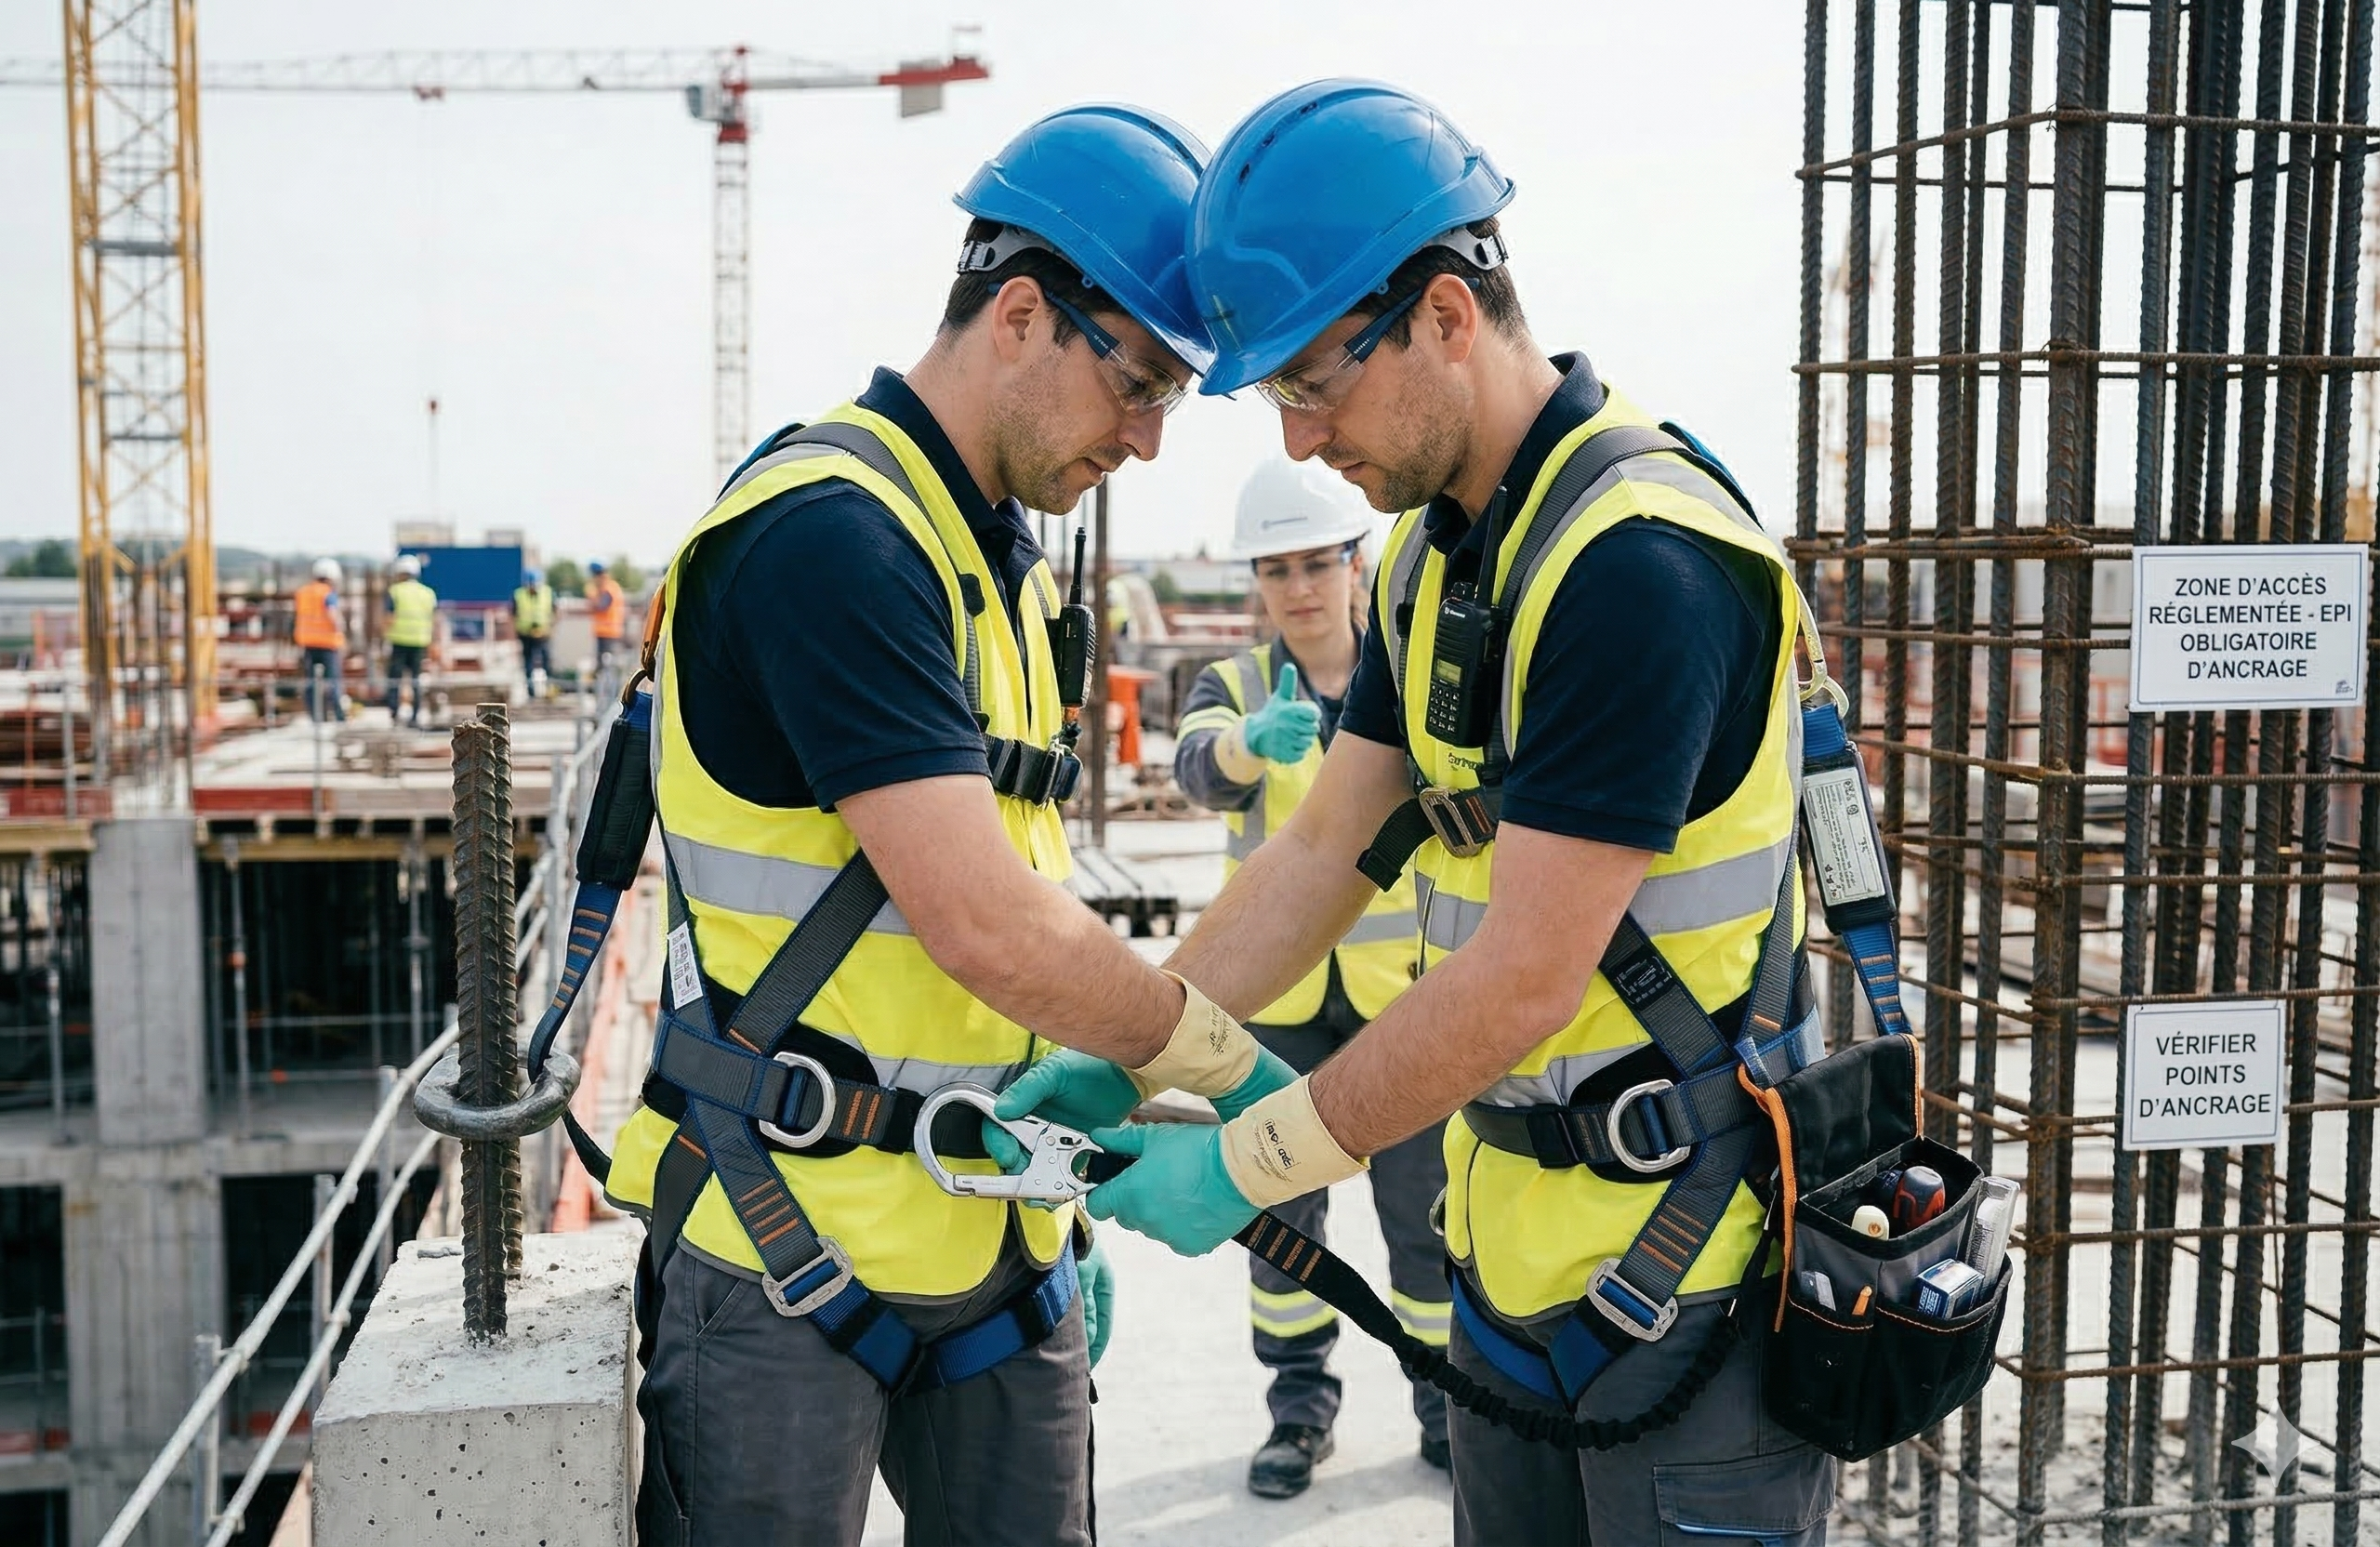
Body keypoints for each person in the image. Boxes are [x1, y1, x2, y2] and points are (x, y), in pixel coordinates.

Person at [1008, 81, 1837, 1544]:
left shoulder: (1635, 567)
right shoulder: (1432, 562)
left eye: (1311, 384)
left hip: (1690, 1274)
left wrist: (1251, 1163)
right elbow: (1322, 852)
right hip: (1511, 1265)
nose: (1303, 443)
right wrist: (1135, 1049)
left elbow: (1524, 978)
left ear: (1446, 314)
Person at [602, 105, 1312, 1547]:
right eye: (1138, 383)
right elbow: (985, 921)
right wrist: (1214, 1060)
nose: (1147, 439)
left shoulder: (998, 560)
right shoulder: (833, 539)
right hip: (787, 1244)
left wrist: (1059, 1197)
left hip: (996, 1238)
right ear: (1021, 314)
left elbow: (1021, 874)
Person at [1172, 457, 1446, 1496]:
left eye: (1315, 563)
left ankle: (1444, 1408)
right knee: (1282, 1230)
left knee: (1427, 1227)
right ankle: (1298, 1413)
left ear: (1354, 563)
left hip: (1398, 1003)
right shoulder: (1236, 685)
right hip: (1277, 1013)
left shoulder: (1408, 674)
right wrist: (1250, 744)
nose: (1297, 587)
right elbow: (1198, 770)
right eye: (1275, 568)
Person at [384, 555, 436, 728]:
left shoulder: (395, 591)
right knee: (416, 680)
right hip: (420, 642)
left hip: (399, 641)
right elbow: (434, 619)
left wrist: (384, 637)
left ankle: (395, 714)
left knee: (395, 680)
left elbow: (389, 617)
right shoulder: (427, 593)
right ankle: (415, 715)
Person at [293, 558, 346, 722]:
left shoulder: (303, 592)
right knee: (333, 682)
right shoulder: (327, 593)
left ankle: (315, 717)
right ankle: (339, 716)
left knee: (311, 682)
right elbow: (333, 616)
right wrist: (341, 631)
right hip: (328, 644)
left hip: (308, 643)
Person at [513, 567, 555, 695]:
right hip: (526, 634)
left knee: (546, 660)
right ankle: (530, 691)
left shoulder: (547, 593)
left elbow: (555, 611)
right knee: (528, 663)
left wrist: (551, 628)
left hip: (543, 633)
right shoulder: (519, 595)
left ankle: (549, 688)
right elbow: (513, 614)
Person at [585, 559, 628, 673]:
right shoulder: (610, 587)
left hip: (608, 632)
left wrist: (591, 597)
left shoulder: (607, 589)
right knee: (605, 664)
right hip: (608, 631)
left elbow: (601, 606)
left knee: (605, 665)